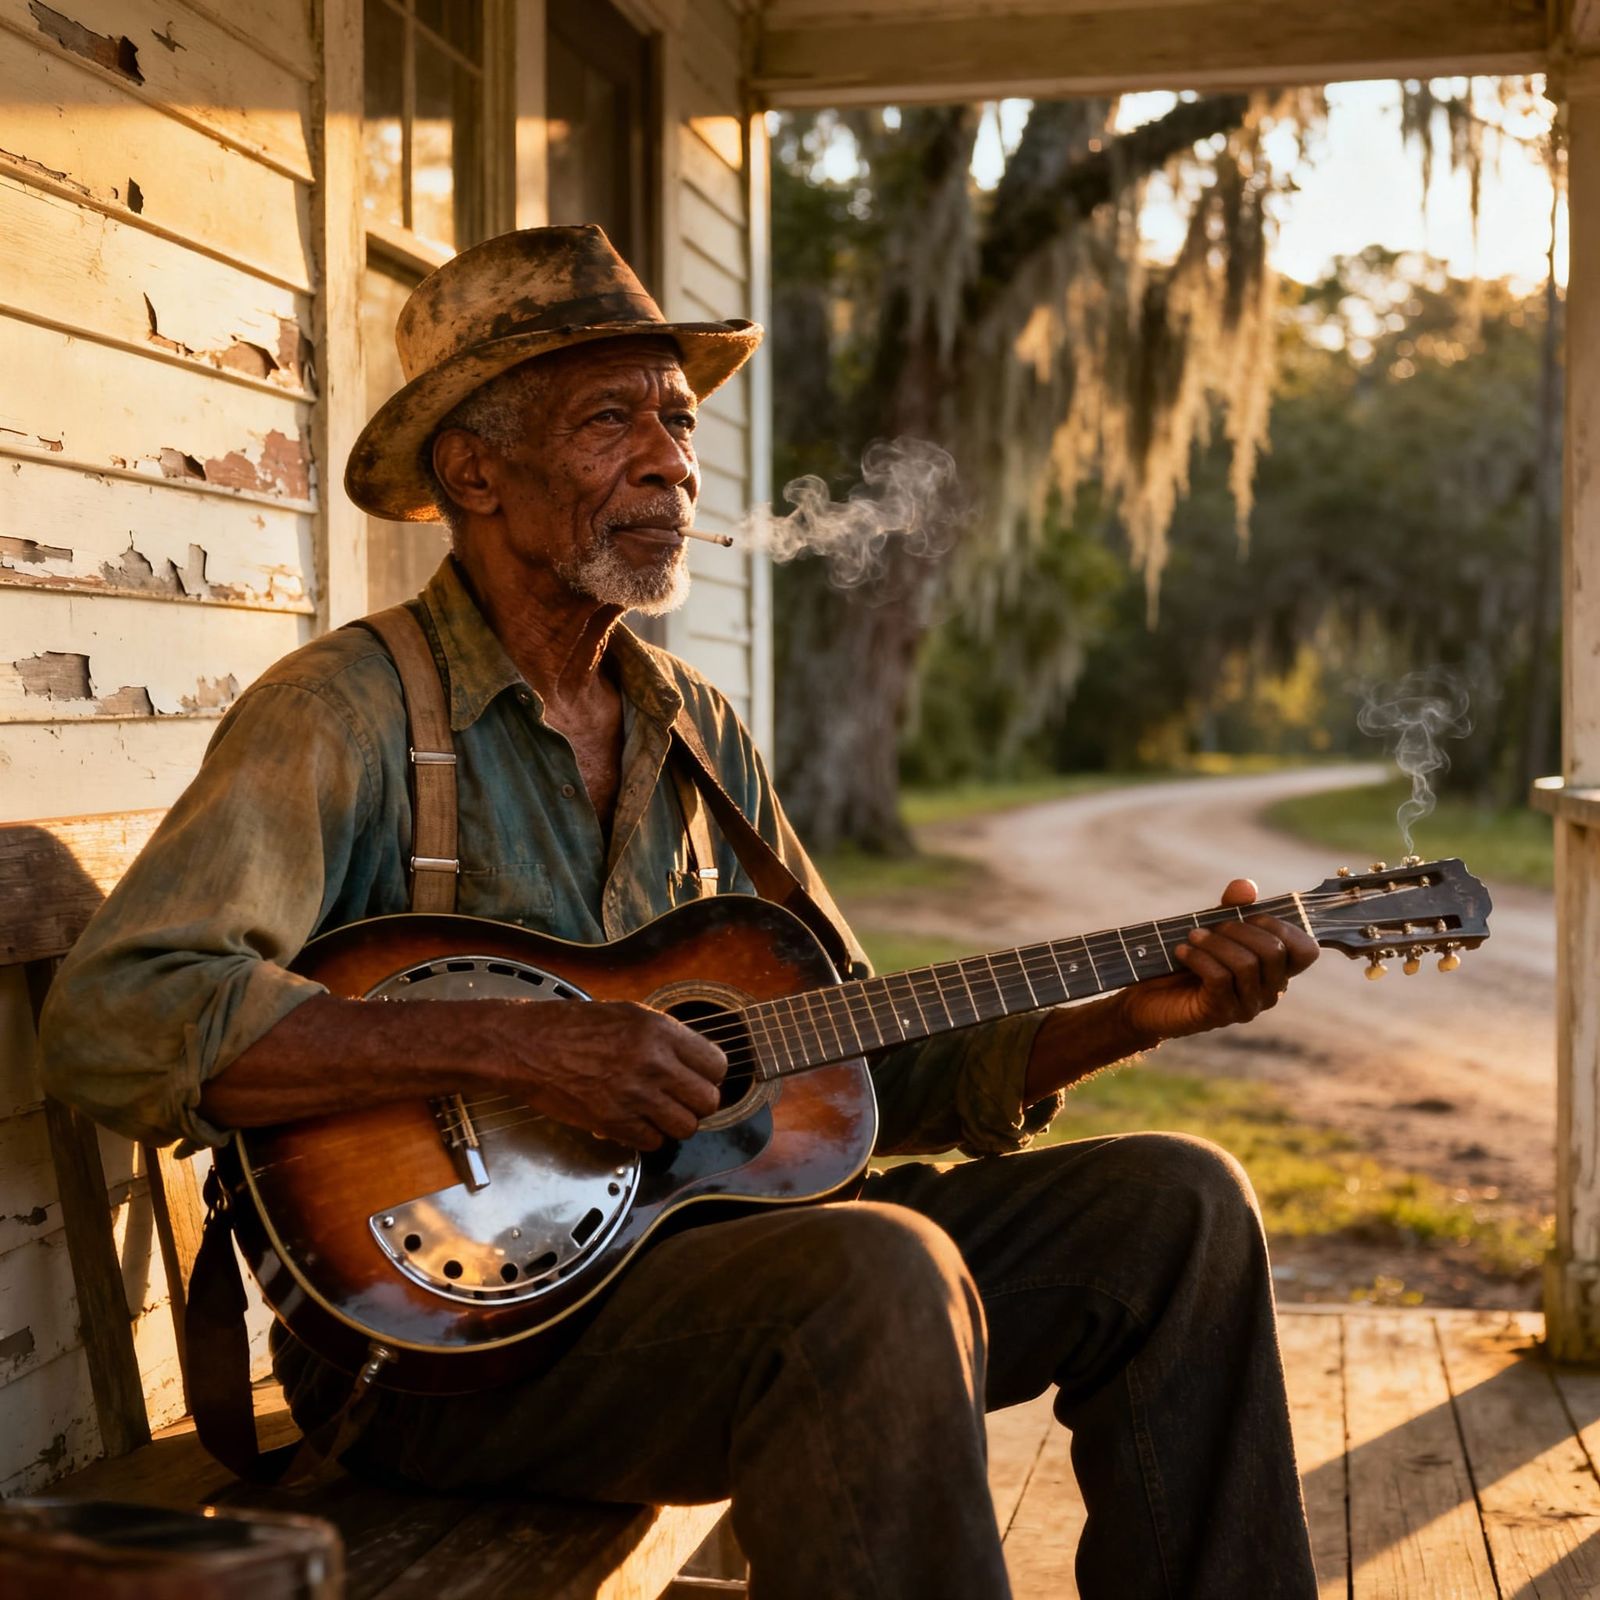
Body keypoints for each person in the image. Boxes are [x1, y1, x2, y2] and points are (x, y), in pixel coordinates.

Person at [40, 224, 1320, 1599]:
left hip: (721, 1276)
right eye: (612, 421)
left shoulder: (695, 728)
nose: (672, 461)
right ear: (475, 470)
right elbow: (122, 1015)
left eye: (679, 419)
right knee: (870, 1277)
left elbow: (869, 1064)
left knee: (1178, 1208)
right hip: (449, 1357)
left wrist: (1132, 1014)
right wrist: (519, 1049)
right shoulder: (343, 711)